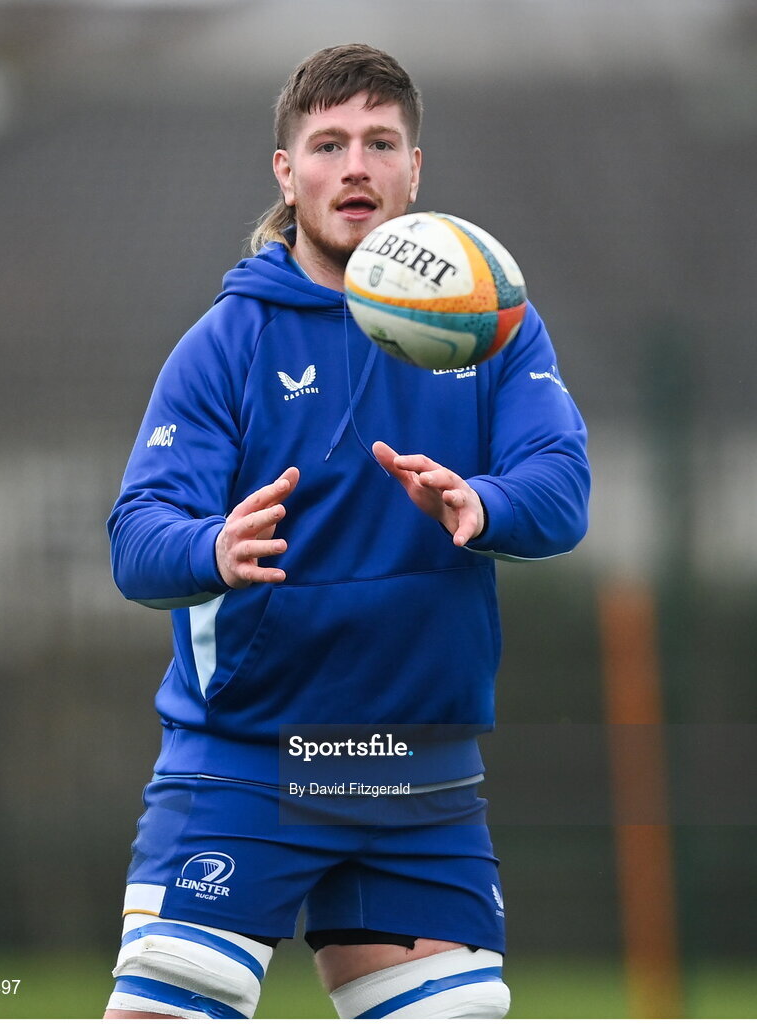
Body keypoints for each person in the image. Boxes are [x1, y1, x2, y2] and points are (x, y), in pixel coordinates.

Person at [104, 43, 590, 1020]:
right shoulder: (228, 342)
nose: (355, 164)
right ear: (287, 172)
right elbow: (137, 534)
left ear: (415, 168)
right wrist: (214, 549)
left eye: (380, 141)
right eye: (328, 143)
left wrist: (481, 503)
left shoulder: (491, 322)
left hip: (421, 773)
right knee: (175, 1004)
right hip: (244, 763)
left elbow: (562, 486)